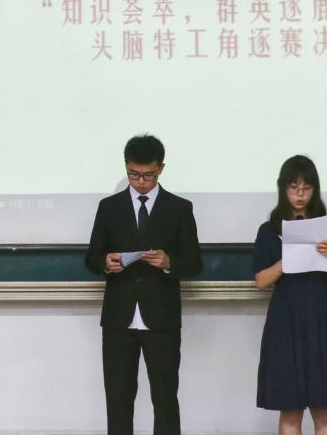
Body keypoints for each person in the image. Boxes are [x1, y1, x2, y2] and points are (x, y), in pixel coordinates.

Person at [85, 134, 203, 435]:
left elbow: (194, 262)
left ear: (160, 168)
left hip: (161, 319)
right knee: (118, 400)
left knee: (165, 399)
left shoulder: (179, 208)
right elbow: (92, 257)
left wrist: (169, 262)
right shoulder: (109, 207)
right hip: (118, 319)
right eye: (133, 174)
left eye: (148, 175)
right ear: (126, 167)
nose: (140, 181)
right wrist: (105, 262)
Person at [253, 155, 327, 435]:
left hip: (321, 317)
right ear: (282, 188)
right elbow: (261, 281)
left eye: (307, 188)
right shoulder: (269, 230)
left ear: (315, 190)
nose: (300, 195)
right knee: (290, 408)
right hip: (285, 318)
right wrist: (287, 258)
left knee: (324, 408)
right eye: (294, 187)